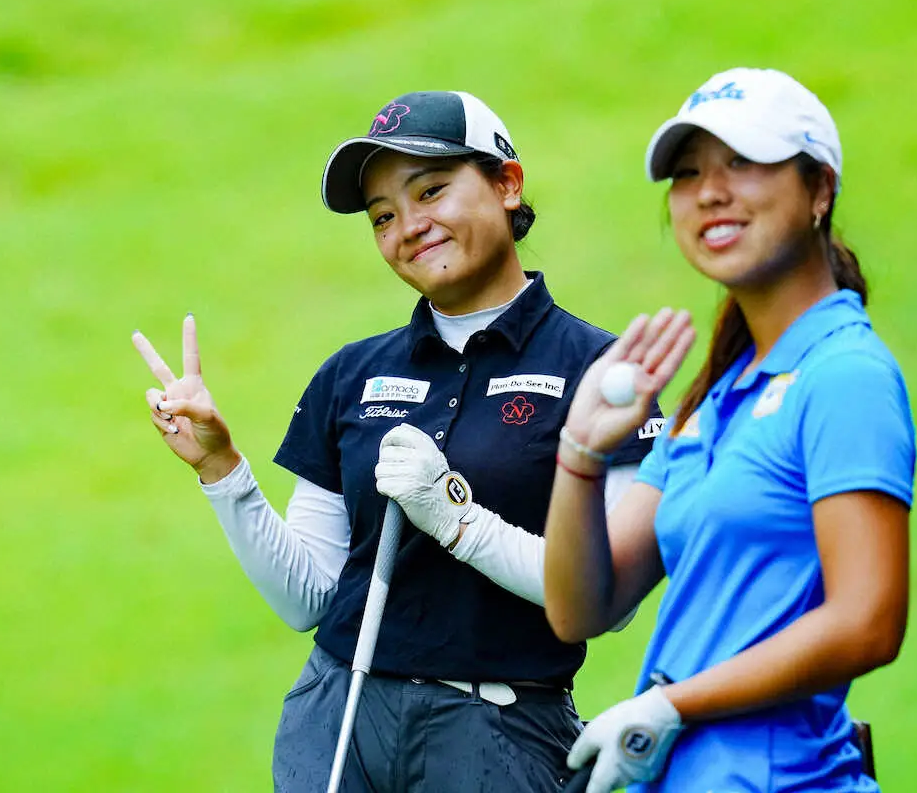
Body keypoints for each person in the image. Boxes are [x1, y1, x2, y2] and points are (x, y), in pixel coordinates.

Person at [132, 90, 661, 791]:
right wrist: (221, 469)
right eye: (384, 216)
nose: (409, 226)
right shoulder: (353, 373)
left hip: (497, 731)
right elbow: (308, 599)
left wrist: (454, 516)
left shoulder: (601, 372)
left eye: (432, 190)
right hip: (338, 719)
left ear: (508, 183)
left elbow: (609, 604)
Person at [542, 68, 916, 792]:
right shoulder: (716, 395)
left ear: (820, 190)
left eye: (743, 162)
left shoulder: (845, 375)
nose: (710, 190)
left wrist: (671, 704)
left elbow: (868, 620)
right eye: (687, 173)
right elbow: (581, 607)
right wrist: (580, 453)